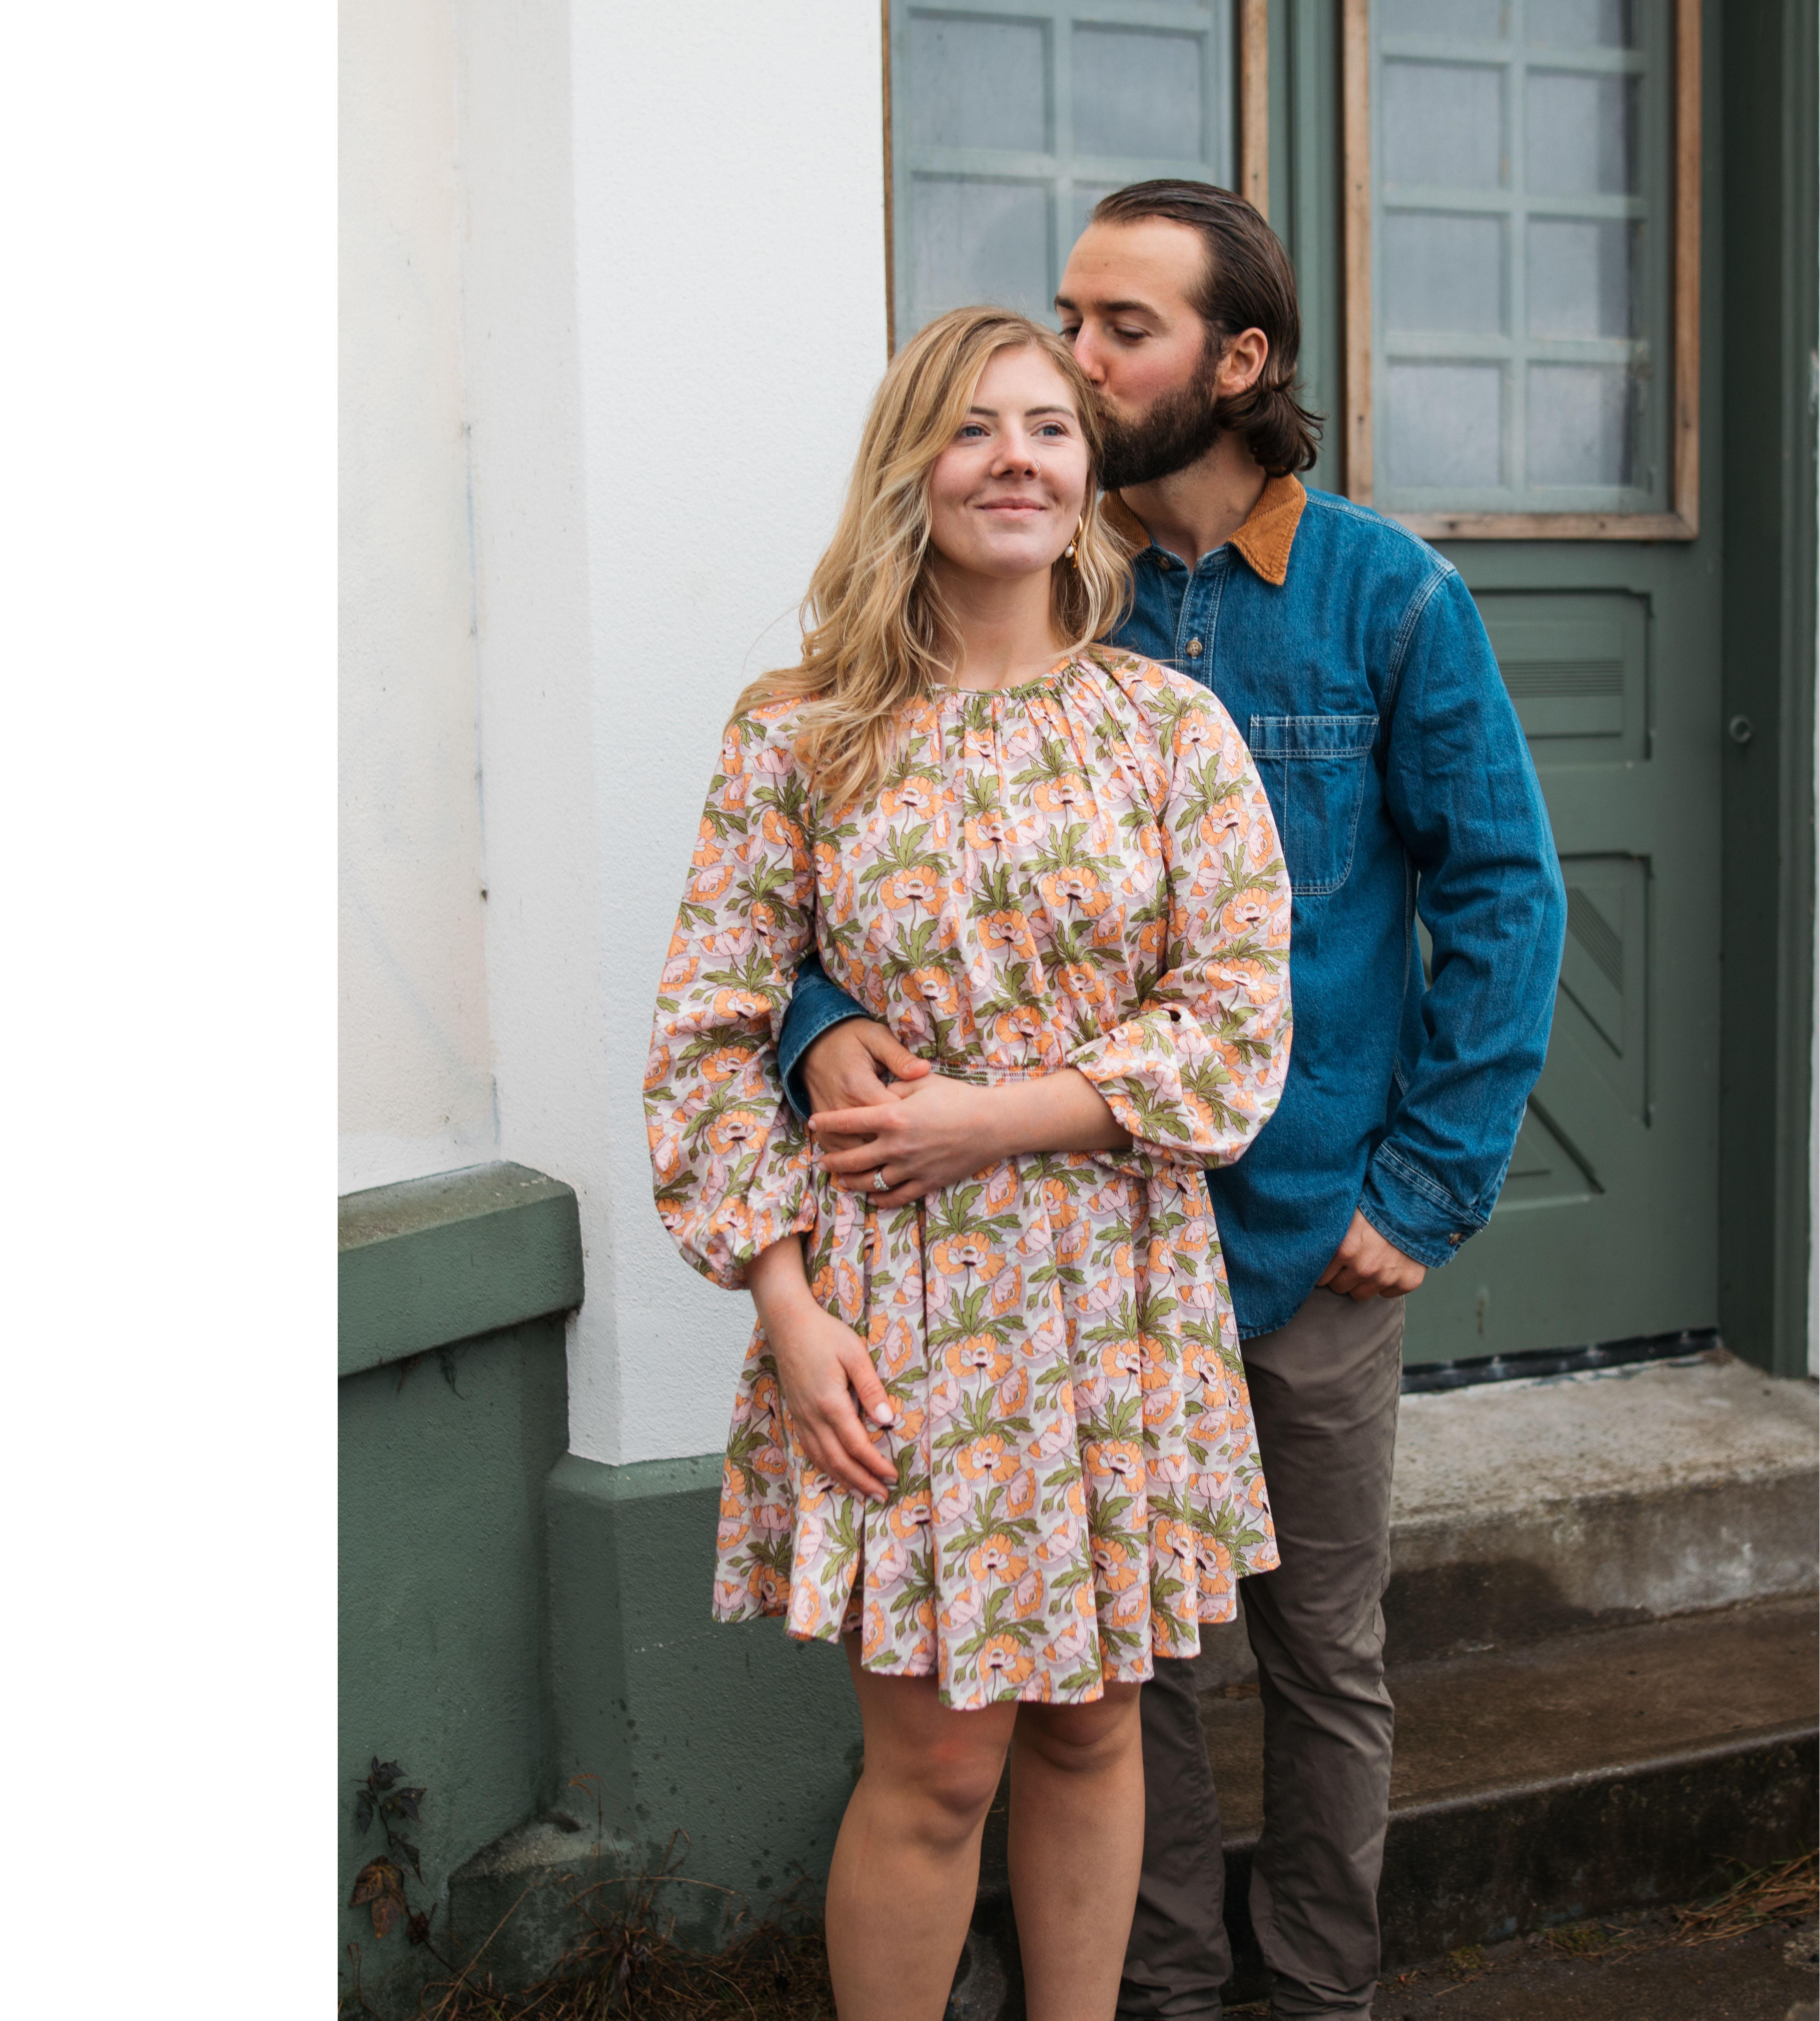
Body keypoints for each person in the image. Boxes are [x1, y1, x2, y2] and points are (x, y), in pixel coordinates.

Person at [778, 186, 1566, 2021]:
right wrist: (817, 1019)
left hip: (1298, 1225)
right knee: (1123, 1669)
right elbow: (844, 877)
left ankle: (1314, 1994)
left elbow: (1504, 896)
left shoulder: (1384, 595)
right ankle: (1164, 1992)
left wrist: (1422, 1189)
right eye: (1066, 318)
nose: (1070, 363)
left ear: (1236, 359)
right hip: (1069, 1260)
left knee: (1319, 1655)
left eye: (1117, 329)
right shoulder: (1046, 567)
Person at [644, 303, 1295, 2021]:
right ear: (909, 469)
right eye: (973, 427)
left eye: (1050, 428)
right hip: (893, 1308)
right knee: (937, 1763)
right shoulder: (800, 732)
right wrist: (787, 1310)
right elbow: (708, 1032)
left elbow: (1236, 1025)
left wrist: (990, 1117)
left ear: (1087, 477)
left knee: (1090, 1729)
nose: (1016, 459)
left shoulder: (1168, 730)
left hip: (1117, 1293)